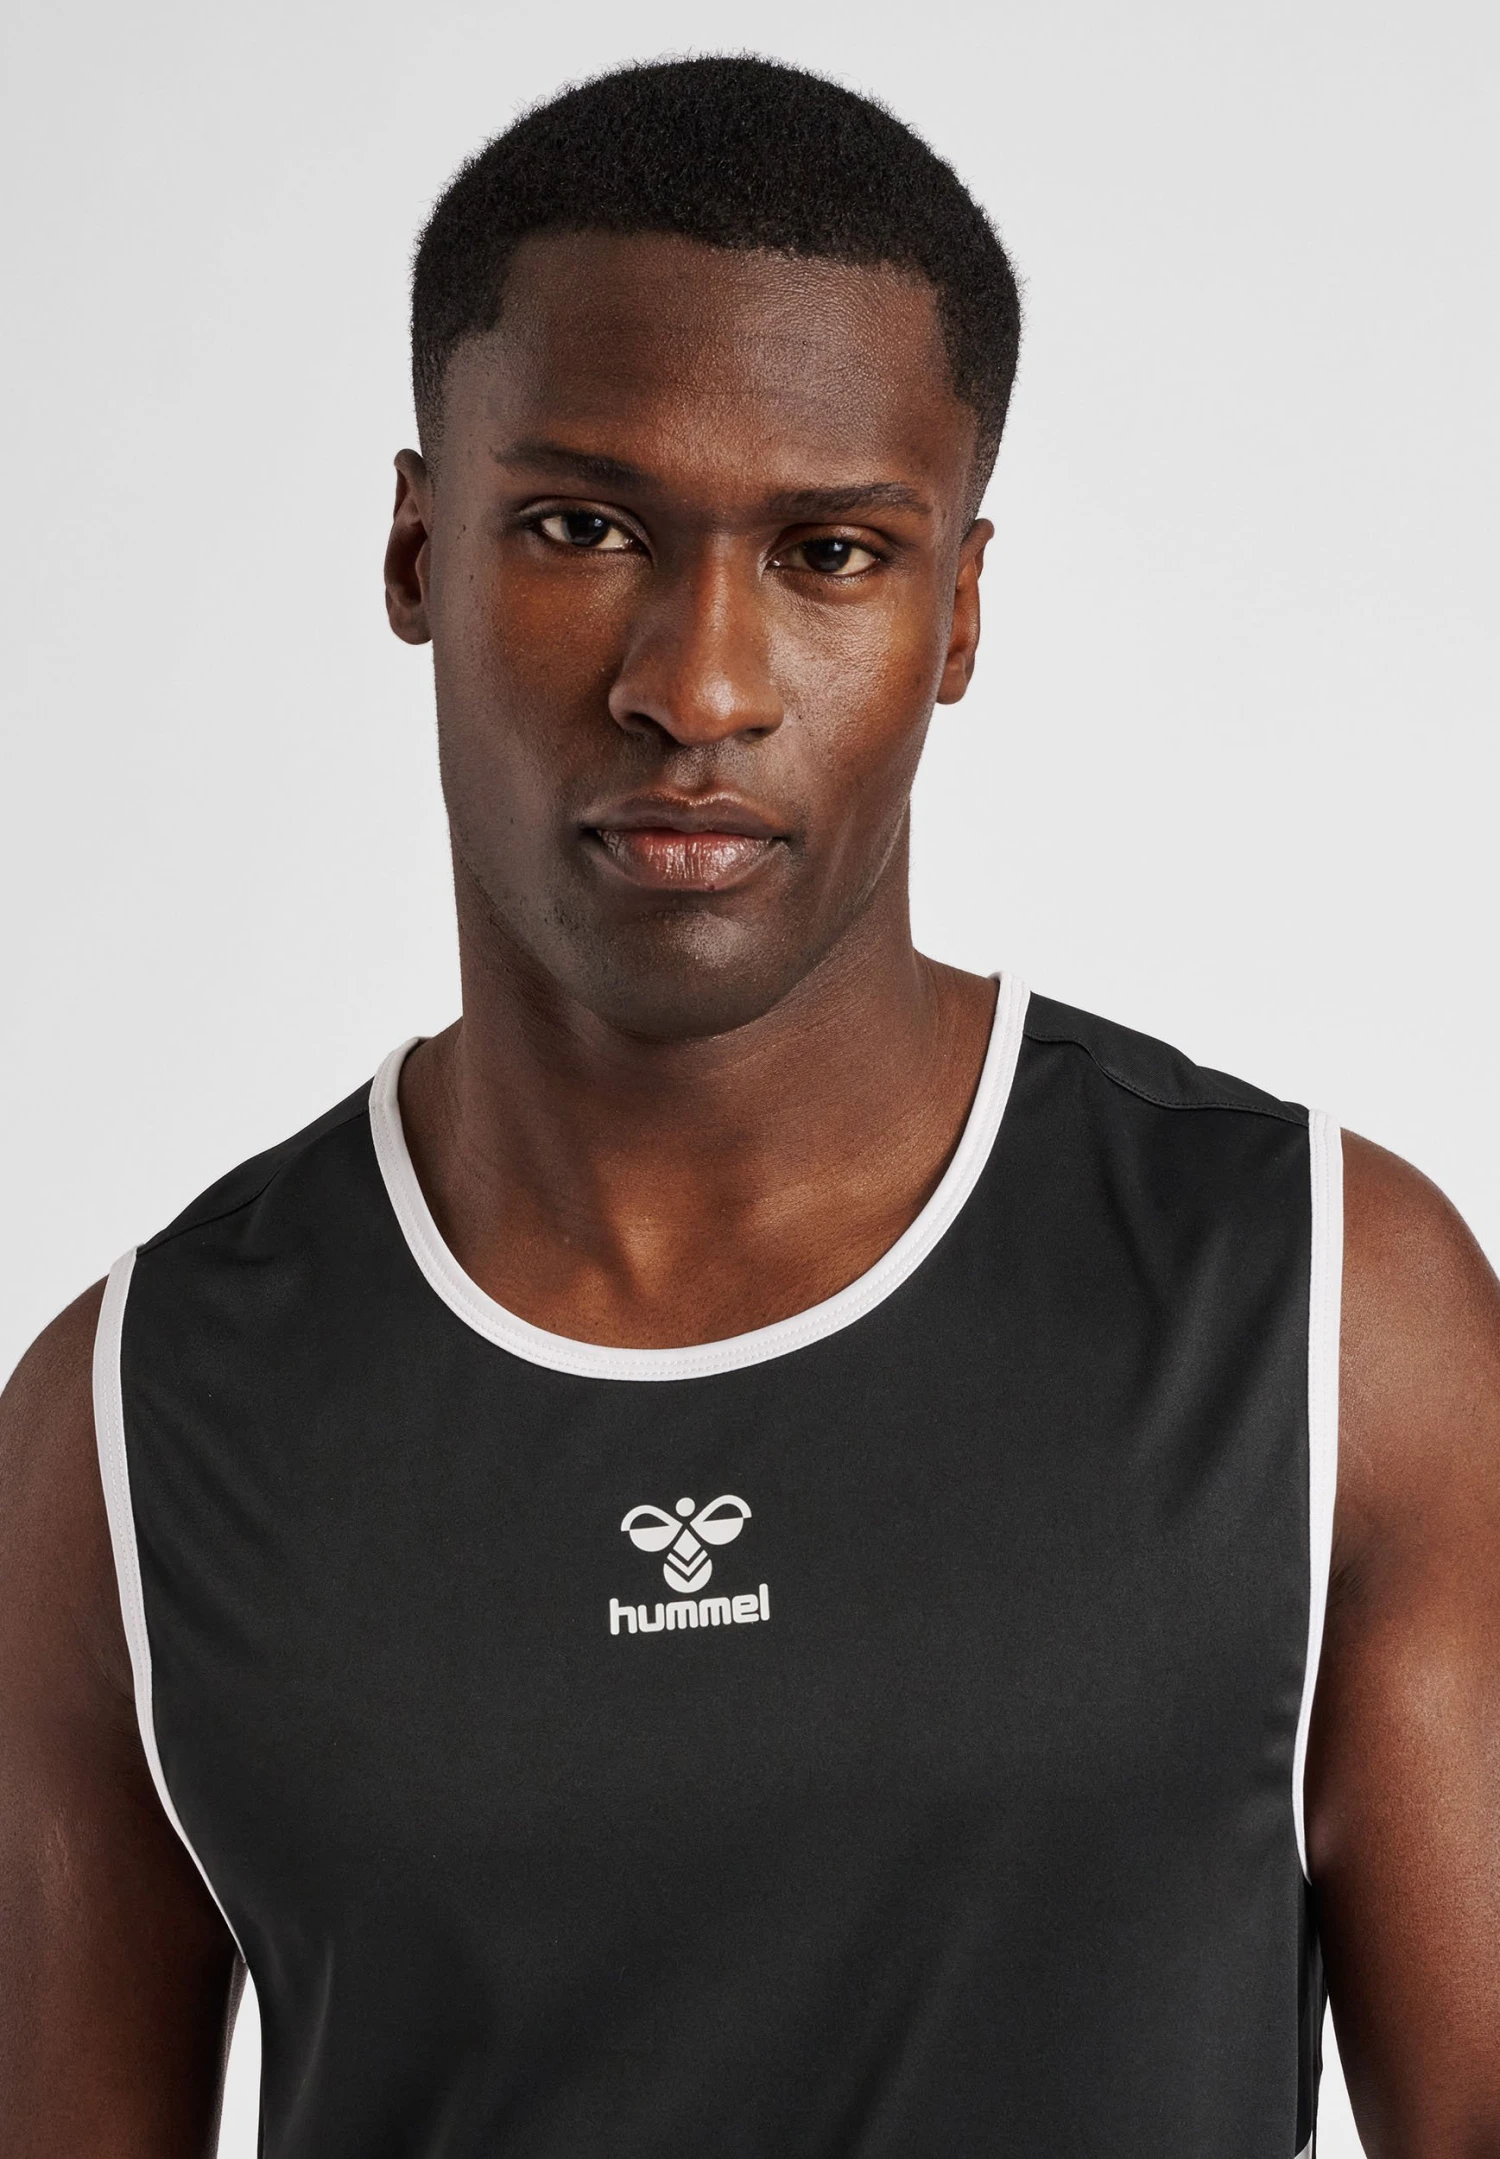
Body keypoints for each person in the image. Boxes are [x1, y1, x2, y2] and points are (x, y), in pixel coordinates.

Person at [2, 53, 1497, 2159]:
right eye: (583, 526)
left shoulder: (1332, 1312)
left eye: (830, 551)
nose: (695, 686)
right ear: (418, 548)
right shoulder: (126, 1426)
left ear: (957, 609)